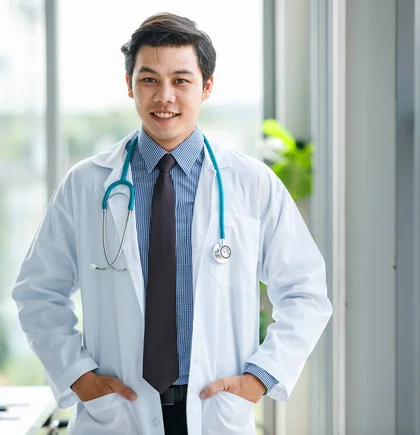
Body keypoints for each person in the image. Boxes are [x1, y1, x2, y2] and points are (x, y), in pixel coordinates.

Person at [12, 12, 332, 435]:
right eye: (149, 80)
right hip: (118, 411)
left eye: (181, 80)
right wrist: (78, 376)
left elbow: (305, 291)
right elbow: (38, 292)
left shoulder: (251, 184)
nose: (165, 96)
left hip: (216, 410)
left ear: (207, 86)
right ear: (130, 85)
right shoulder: (87, 184)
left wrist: (259, 378)